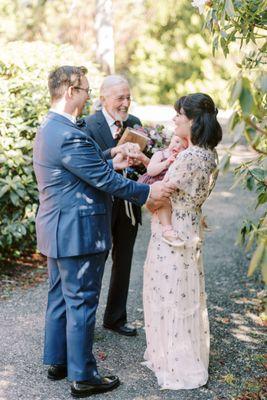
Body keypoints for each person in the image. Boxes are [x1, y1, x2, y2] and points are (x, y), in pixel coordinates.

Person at [33, 65, 175, 398]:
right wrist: (147, 193)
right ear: (70, 91)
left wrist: (112, 157)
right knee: (81, 301)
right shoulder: (67, 132)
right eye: (84, 89)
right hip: (78, 231)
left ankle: (60, 360)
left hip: (57, 229)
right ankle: (83, 376)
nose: (87, 95)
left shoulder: (51, 127)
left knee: (59, 297)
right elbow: (102, 180)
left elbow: (85, 164)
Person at [142, 93, 222, 390]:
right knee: (184, 292)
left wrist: (146, 190)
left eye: (179, 115)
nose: (175, 119)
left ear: (193, 121)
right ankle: (173, 353)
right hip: (189, 225)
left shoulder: (189, 157)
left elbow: (161, 194)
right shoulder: (209, 154)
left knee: (171, 293)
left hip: (173, 229)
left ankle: (177, 360)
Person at [83, 75, 149, 337]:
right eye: (120, 97)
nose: (125, 103)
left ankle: (115, 318)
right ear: (103, 98)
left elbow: (147, 161)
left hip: (128, 204)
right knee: (96, 263)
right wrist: (113, 155)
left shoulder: (135, 124)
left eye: (128, 97)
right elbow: (86, 163)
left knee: (124, 261)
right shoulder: (88, 125)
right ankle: (86, 323)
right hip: (100, 204)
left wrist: (139, 161)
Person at [138, 132, 189, 246]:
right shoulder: (161, 154)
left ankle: (169, 228)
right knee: (164, 201)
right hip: (155, 187)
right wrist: (166, 163)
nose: (177, 147)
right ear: (170, 141)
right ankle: (167, 230)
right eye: (176, 142)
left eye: (183, 147)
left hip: (170, 191)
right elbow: (150, 171)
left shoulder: (181, 159)